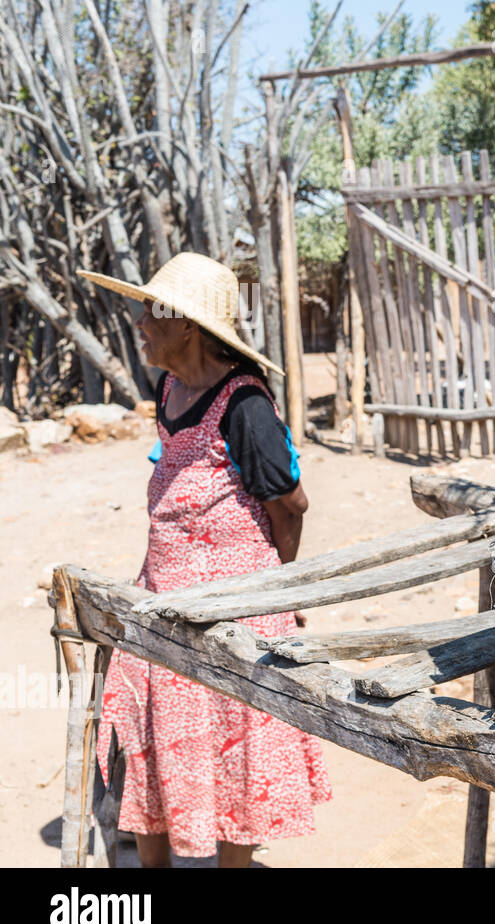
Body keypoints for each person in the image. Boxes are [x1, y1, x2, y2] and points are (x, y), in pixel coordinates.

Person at [79, 253, 331, 867]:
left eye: (151, 313)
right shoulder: (167, 389)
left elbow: (290, 505)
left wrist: (276, 593)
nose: (140, 323)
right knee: (149, 735)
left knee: (234, 742)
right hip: (162, 601)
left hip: (233, 611)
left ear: (186, 323)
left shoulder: (245, 406)